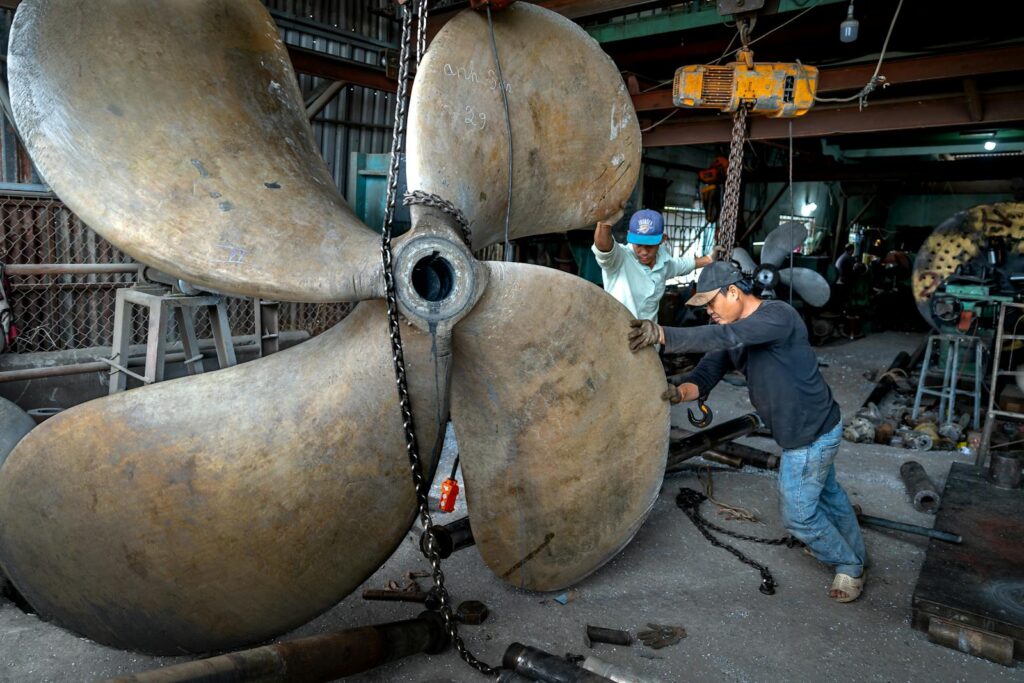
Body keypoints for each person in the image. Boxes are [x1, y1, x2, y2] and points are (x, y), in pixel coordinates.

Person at [627, 260, 867, 602]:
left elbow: (728, 335)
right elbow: (709, 370)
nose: (709, 311)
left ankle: (849, 565)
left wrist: (664, 334)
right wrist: (680, 391)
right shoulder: (733, 332)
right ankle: (854, 553)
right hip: (809, 428)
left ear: (734, 291)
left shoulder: (777, 316)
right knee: (830, 496)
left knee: (799, 516)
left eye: (711, 302)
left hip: (811, 433)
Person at [592, 208, 721, 322]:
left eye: (649, 246)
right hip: (617, 337)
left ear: (663, 239)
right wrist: (604, 223)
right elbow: (604, 249)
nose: (643, 252)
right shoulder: (619, 259)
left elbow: (681, 265)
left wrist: (709, 259)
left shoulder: (663, 264)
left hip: (649, 340)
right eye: (638, 245)